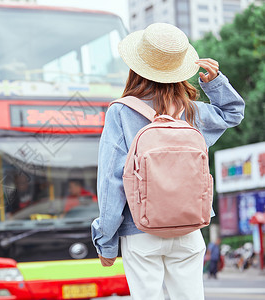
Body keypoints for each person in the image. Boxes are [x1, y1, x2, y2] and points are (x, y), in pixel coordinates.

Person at [91, 23, 244, 300]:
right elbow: (233, 113)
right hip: (189, 228)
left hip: (140, 229)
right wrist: (215, 81)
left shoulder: (121, 112)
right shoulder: (192, 110)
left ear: (137, 67)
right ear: (179, 69)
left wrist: (106, 242)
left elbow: (112, 181)